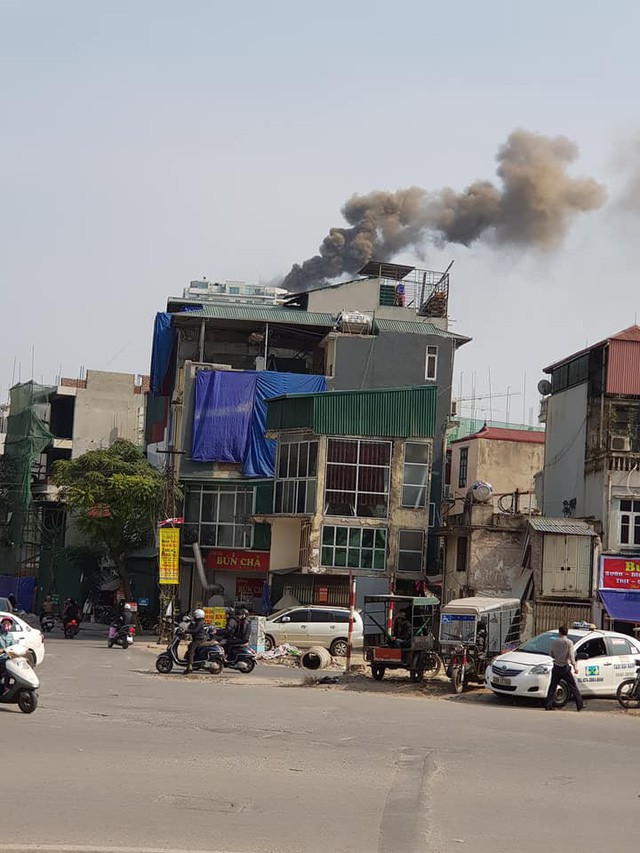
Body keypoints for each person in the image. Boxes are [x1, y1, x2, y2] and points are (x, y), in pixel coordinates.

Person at [544, 625, 584, 711]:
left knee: (552, 686)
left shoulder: (554, 642)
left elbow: (550, 654)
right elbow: (571, 655)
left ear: (559, 632)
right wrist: (575, 666)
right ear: (567, 633)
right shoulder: (569, 642)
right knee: (573, 686)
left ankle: (548, 705)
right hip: (565, 667)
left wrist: (557, 658)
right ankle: (579, 705)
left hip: (556, 667)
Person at [184, 608, 207, 673]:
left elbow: (195, 630)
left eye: (195, 615)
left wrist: (187, 631)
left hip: (199, 639)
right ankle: (190, 661)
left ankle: (190, 667)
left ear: (198, 615)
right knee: (190, 646)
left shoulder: (200, 623)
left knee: (191, 650)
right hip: (197, 639)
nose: (194, 616)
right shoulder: (198, 622)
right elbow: (192, 627)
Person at [0, 617, 17, 694]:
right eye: (5, 624)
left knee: (11, 671)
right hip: (1, 658)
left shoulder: (10, 635)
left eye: (8, 624)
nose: (6, 625)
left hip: (8, 658)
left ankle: (7, 687)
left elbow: (13, 646)